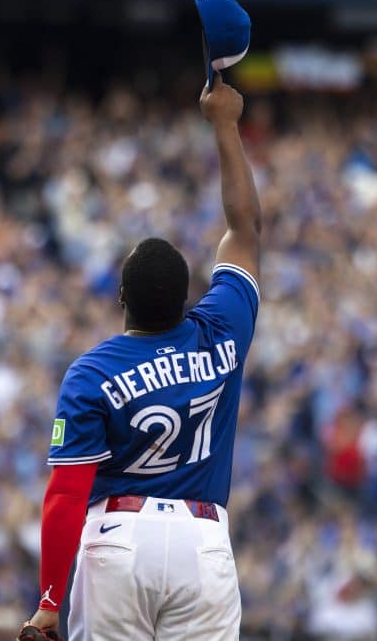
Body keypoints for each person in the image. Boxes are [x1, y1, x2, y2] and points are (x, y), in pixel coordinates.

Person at [22, 73, 262, 640]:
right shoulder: (221, 327)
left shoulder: (93, 372)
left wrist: (50, 601)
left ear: (121, 298)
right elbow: (245, 228)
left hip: (118, 539)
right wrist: (225, 125)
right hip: (204, 543)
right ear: (188, 298)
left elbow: (65, 495)